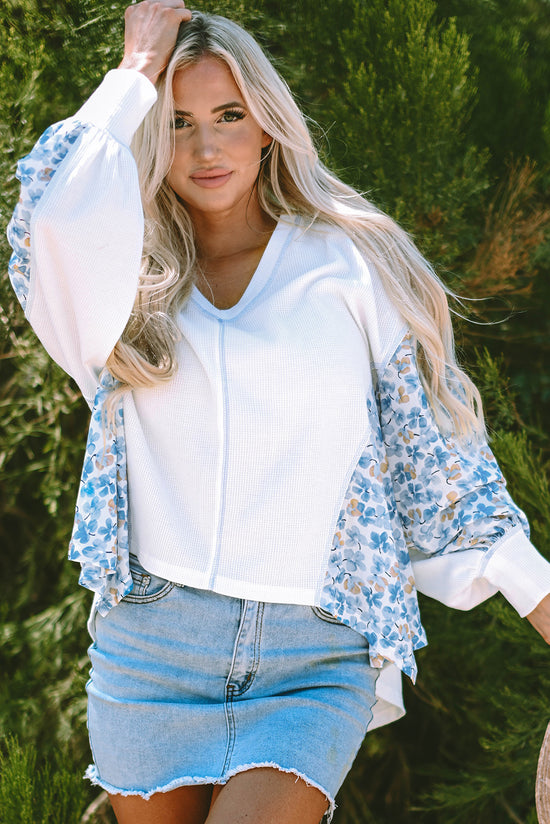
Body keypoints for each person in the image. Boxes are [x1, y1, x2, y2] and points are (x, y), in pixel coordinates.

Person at [6, 2, 550, 822]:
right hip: (152, 647)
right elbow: (44, 219)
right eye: (177, 121)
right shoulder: (121, 277)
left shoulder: (349, 262)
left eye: (230, 115)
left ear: (268, 125)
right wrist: (132, 74)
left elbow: (438, 461)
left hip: (312, 654)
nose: (207, 146)